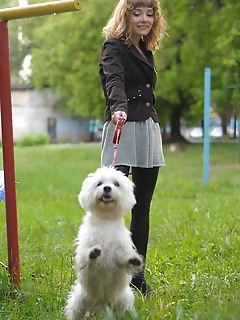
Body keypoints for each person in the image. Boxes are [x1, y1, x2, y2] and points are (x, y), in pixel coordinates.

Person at [99, 0, 167, 294]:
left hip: (148, 129)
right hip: (122, 127)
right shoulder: (113, 47)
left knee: (142, 208)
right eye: (137, 13)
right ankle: (104, 272)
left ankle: (136, 278)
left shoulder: (146, 49)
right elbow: (114, 80)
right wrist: (118, 108)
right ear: (124, 15)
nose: (144, 19)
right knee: (110, 206)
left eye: (149, 14)